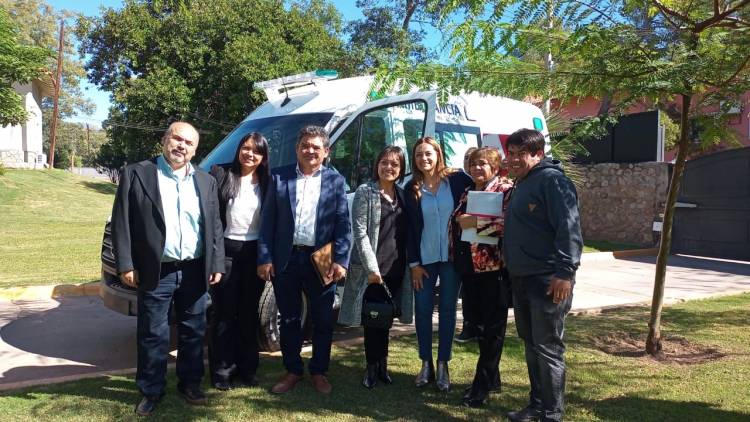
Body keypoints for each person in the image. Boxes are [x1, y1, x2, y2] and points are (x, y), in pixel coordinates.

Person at [110, 121, 225, 417]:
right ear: (164, 140)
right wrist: (126, 263)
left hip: (195, 269)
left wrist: (216, 263)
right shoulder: (138, 173)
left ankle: (190, 384)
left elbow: (213, 226)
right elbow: (121, 222)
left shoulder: (205, 180)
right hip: (155, 270)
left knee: (193, 331)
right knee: (153, 333)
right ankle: (151, 390)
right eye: (177, 139)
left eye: (188, 143)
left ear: (195, 150)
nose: (181, 146)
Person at [257, 125, 352, 395]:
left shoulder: (335, 181)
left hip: (321, 260)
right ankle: (293, 370)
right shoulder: (279, 177)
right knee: (289, 319)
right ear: (297, 148)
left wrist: (340, 260)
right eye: (305, 145)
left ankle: (319, 371)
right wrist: (265, 257)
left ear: (326, 152)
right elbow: (268, 223)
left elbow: (342, 225)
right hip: (285, 259)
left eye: (316, 147)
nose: (310, 150)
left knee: (322, 320)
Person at [502, 129, 582, 422]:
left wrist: (565, 272)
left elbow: (569, 229)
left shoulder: (553, 181)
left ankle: (552, 413)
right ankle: (536, 405)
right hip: (522, 277)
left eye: (519, 153)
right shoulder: (523, 183)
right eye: (509, 153)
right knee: (531, 343)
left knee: (548, 346)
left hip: (548, 279)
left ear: (537, 153)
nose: (512, 159)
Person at [338, 146, 414, 389]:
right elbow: (359, 232)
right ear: (377, 165)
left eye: (395, 164)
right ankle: (371, 369)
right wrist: (372, 268)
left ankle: (383, 367)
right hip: (373, 270)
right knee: (372, 320)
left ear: (401, 169)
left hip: (396, 268)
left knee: (386, 319)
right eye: (384, 162)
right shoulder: (365, 192)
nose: (389, 167)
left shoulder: (403, 195)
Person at [404, 136, 473, 392]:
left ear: (438, 154)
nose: (424, 158)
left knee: (447, 311)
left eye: (428, 153)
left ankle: (443, 363)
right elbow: (409, 230)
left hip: (453, 259)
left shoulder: (456, 180)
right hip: (424, 261)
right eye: (419, 154)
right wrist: (413, 264)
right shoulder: (411, 188)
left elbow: (480, 192)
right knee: (421, 311)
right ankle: (425, 363)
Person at [449, 147, 514, 407]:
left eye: (484, 164)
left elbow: (507, 226)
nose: (477, 168)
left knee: (492, 329)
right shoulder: (470, 190)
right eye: (474, 164)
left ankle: (481, 386)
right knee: (477, 325)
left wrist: (474, 223)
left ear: (496, 167)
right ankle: (492, 378)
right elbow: (458, 218)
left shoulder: (505, 190)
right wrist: (464, 220)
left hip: (493, 270)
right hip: (470, 268)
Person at [208, 132, 270, 390]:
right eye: (245, 148)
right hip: (227, 253)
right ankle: (222, 372)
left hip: (254, 254)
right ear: (238, 150)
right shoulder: (220, 174)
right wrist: (215, 260)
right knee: (224, 314)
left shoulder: (269, 182)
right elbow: (212, 220)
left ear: (263, 156)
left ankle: (247, 370)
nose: (249, 154)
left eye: (256, 151)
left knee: (247, 314)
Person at [455, 145, 480, 344]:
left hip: (485, 252)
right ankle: (468, 326)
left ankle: (480, 328)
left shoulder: (496, 187)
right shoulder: (462, 184)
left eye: (474, 159)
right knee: (468, 291)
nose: (470, 163)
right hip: (463, 248)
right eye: (467, 159)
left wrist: (477, 223)